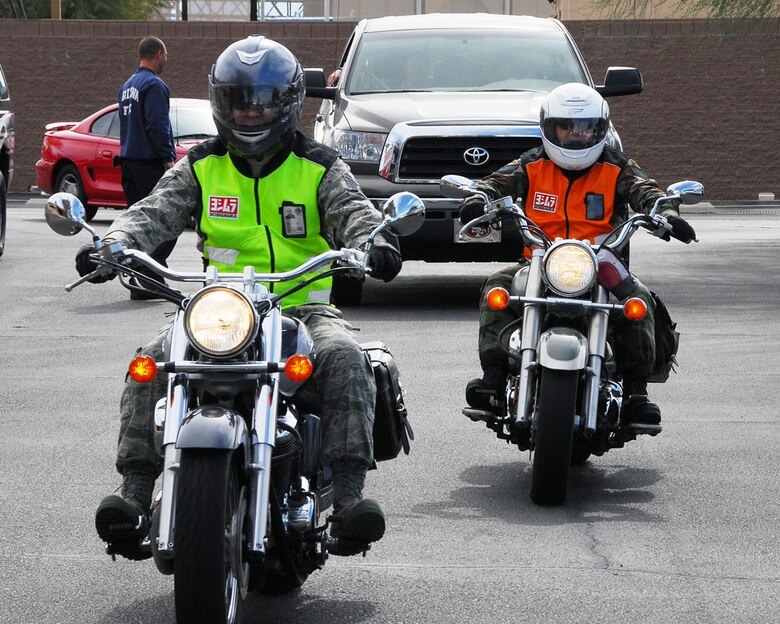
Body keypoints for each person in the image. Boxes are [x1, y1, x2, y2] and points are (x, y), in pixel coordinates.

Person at [78, 36, 403, 559]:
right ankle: (135, 494)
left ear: (289, 102)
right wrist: (113, 245)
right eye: (238, 100)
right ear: (219, 102)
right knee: (150, 364)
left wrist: (375, 243)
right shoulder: (201, 166)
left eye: (263, 100)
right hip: (221, 308)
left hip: (303, 304)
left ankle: (348, 498)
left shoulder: (318, 165)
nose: (250, 112)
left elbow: (355, 212)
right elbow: (153, 212)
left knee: (345, 358)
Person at [459, 82, 696, 427]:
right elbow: (495, 183)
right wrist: (479, 198)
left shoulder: (617, 166)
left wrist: (668, 215)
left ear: (599, 129)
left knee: (639, 301)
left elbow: (648, 191)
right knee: (497, 286)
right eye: (566, 126)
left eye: (585, 128)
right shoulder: (531, 164)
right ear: (549, 127)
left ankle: (637, 393)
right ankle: (493, 377)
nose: (575, 135)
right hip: (541, 259)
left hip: (602, 261)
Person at [117, 36, 178, 300]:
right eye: (165, 54)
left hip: (129, 164)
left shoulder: (127, 86)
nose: (167, 59)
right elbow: (157, 125)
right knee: (169, 221)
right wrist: (168, 160)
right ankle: (150, 278)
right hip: (149, 164)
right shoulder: (154, 85)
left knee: (141, 224)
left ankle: (143, 281)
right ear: (158, 54)